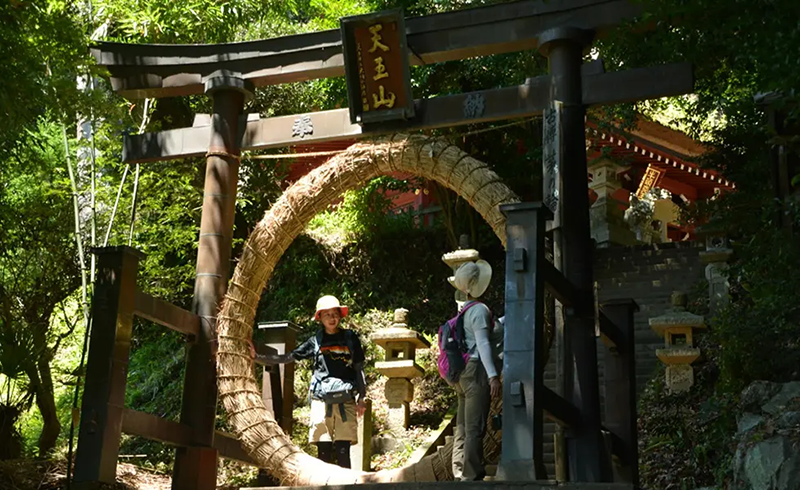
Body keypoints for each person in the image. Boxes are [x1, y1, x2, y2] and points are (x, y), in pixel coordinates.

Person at [250, 295, 367, 468]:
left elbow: (358, 367)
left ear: (340, 316)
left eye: (334, 313)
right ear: (319, 318)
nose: (332, 318)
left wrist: (362, 397)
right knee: (323, 449)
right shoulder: (315, 341)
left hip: (346, 399)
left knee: (343, 450)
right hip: (321, 399)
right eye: (326, 314)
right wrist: (257, 357)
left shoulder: (350, 338)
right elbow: (289, 356)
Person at [448, 260, 502, 481]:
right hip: (476, 371)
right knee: (474, 427)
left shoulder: (465, 310)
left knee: (462, 425)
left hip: (461, 373)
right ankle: (471, 476)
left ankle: (459, 470)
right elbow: (483, 344)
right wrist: (492, 376)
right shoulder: (479, 310)